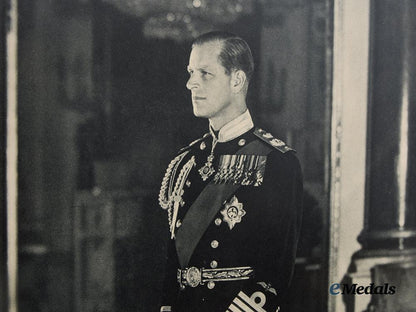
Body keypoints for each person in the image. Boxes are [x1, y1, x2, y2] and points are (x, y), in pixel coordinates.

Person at [158, 31, 303, 312]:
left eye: (205, 74)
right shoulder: (185, 162)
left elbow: (274, 271)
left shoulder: (277, 162)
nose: (190, 83)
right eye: (190, 72)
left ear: (236, 80)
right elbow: (172, 264)